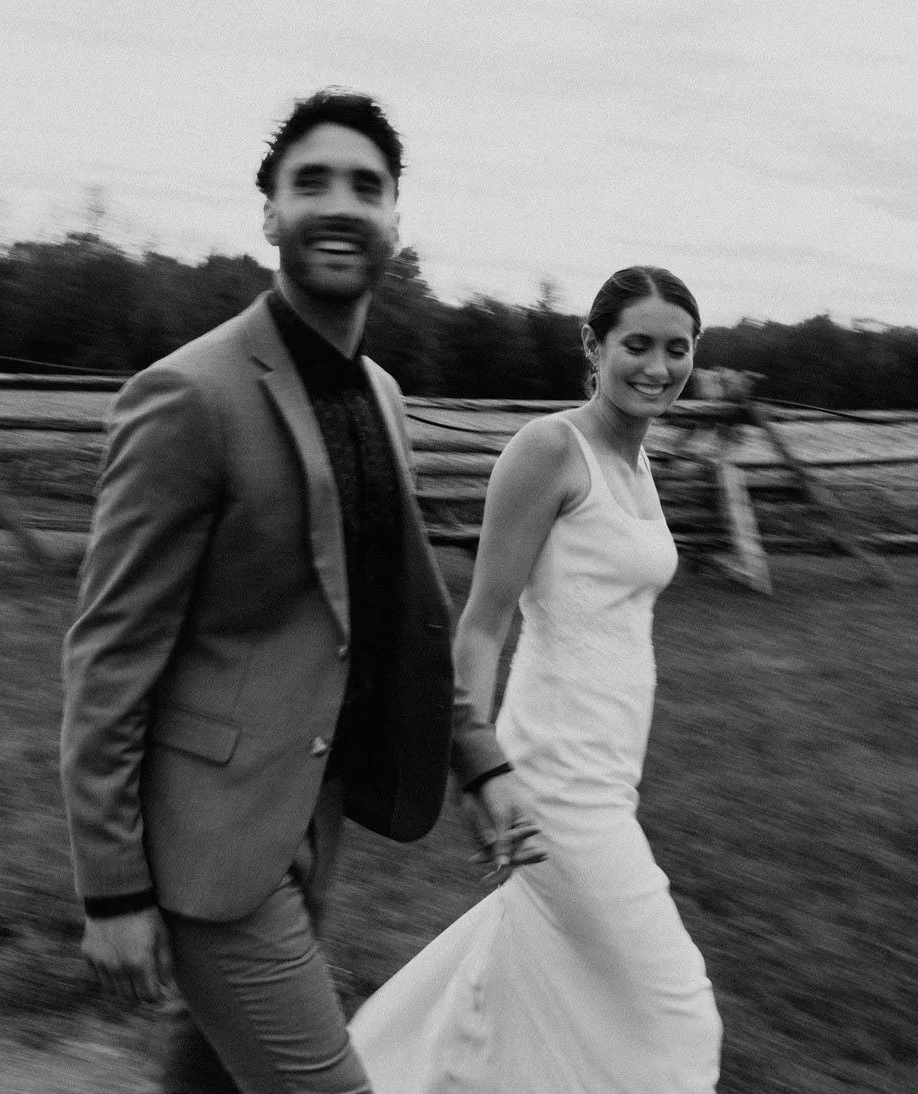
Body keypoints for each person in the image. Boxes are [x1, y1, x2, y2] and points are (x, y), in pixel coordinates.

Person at [59, 88, 538, 1094]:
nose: (339, 203)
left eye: (366, 186)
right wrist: (112, 889)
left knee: (216, 1079)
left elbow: (402, 615)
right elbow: (109, 654)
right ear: (269, 213)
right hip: (208, 842)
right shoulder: (189, 394)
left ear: (395, 224)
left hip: (314, 812)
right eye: (309, 181)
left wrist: (479, 761)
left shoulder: (381, 395)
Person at [348, 266, 724, 1092]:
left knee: (525, 988)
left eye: (677, 348)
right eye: (637, 345)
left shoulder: (639, 465)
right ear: (593, 346)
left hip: (609, 770)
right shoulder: (552, 449)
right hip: (553, 777)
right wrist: (478, 770)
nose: (657, 367)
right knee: (678, 1012)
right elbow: (483, 620)